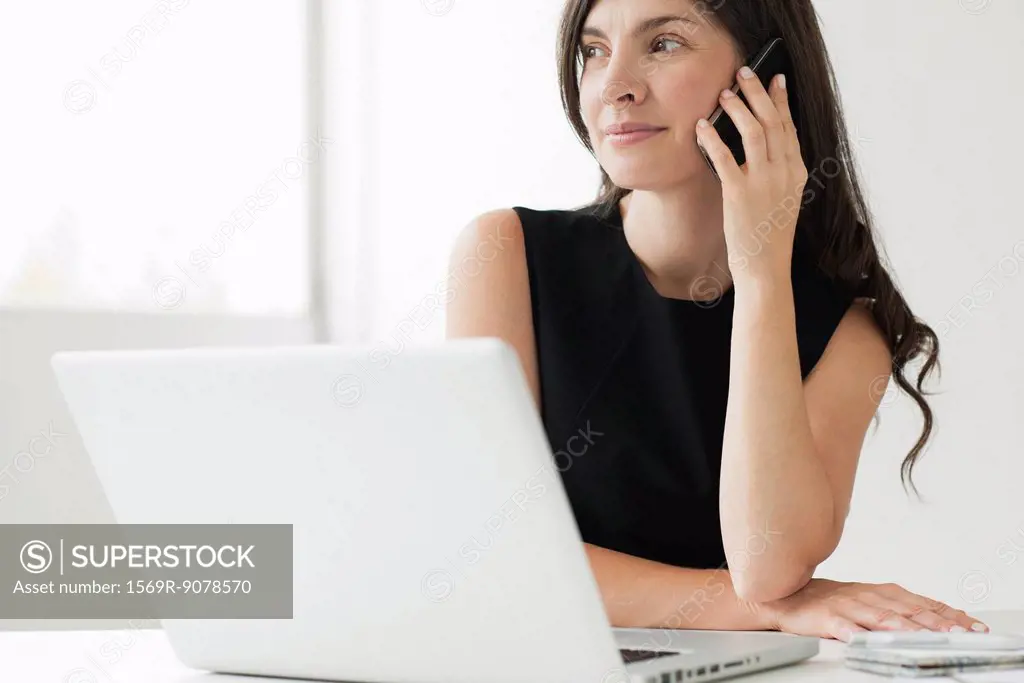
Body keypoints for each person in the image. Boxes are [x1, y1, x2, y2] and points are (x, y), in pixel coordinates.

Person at [444, 0, 987, 641]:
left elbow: (768, 566)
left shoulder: (847, 331)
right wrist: (772, 610)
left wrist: (760, 273)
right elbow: (497, 557)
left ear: (766, 73)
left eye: (664, 44)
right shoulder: (505, 255)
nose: (615, 85)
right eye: (593, 50)